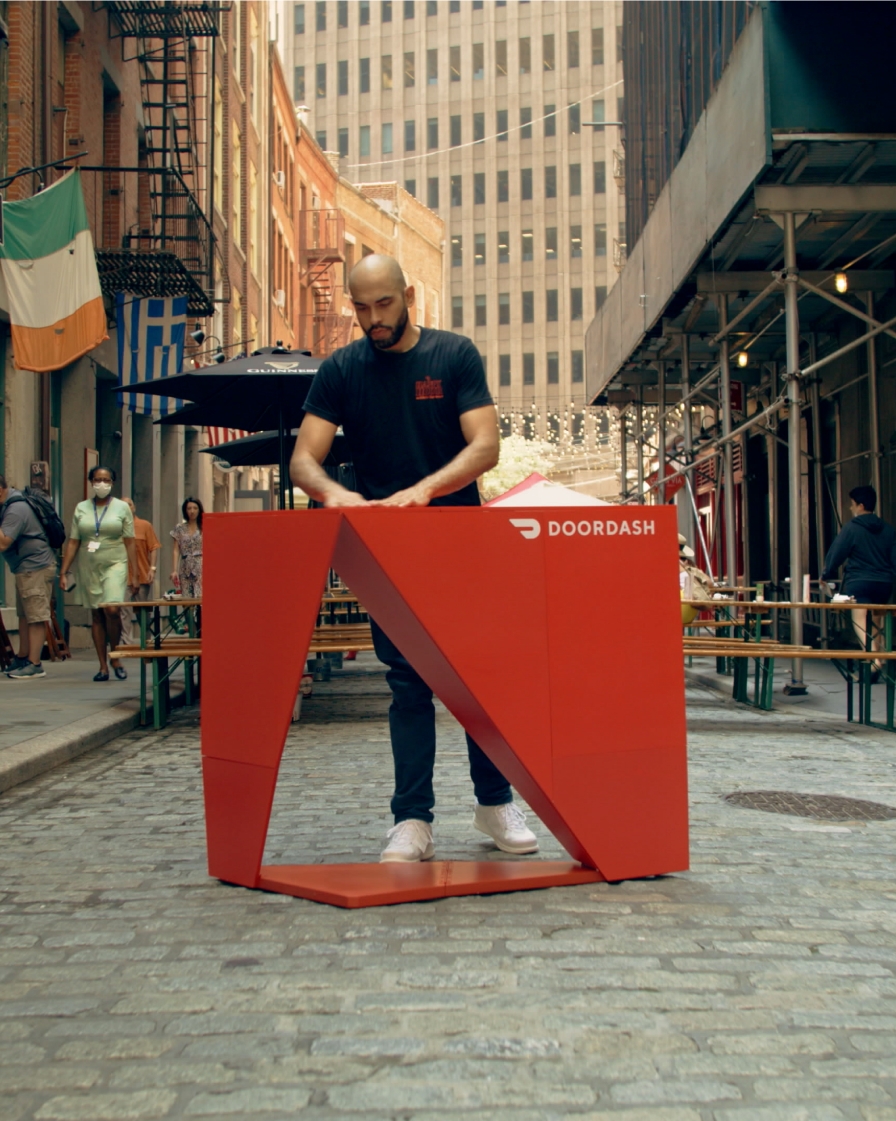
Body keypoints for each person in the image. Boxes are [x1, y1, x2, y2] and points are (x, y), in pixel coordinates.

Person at [291, 252, 538, 864]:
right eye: (362, 308)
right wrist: (337, 494)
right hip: (388, 550)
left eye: (385, 304)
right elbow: (303, 459)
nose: (374, 318)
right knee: (407, 685)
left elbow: (486, 444)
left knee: (477, 678)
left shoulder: (453, 356)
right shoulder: (342, 370)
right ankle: (412, 820)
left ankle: (493, 802)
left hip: (459, 541)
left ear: (407, 297)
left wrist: (426, 489)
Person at [59, 466, 136, 682]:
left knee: (111, 609)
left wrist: (135, 573)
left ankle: (116, 656)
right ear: (91, 482)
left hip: (115, 561)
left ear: (112, 482)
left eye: (106, 479)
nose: (101, 483)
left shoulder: (122, 508)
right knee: (96, 614)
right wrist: (64, 571)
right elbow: (74, 540)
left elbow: (130, 541)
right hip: (89, 563)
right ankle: (103, 665)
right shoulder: (82, 508)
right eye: (97, 479)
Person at [822, 485, 896, 674]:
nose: (851, 508)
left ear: (861, 506)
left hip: (860, 581)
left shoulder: (852, 528)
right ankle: (878, 657)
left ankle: (872, 658)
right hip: (885, 583)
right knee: (876, 620)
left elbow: (837, 553)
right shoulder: (888, 529)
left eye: (853, 504)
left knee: (859, 617)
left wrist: (826, 574)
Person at [0, 474, 57, 680]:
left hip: (35, 567)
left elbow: (3, 542)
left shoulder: (16, 509)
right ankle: (23, 657)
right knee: (25, 615)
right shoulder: (10, 504)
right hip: (25, 567)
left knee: (36, 616)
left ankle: (35, 663)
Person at [120, 498, 161, 646]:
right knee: (124, 610)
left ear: (134, 507)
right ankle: (126, 642)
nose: (127, 507)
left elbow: (154, 547)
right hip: (123, 575)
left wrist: (152, 568)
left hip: (142, 574)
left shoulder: (145, 525)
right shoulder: (117, 527)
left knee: (142, 611)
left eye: (129, 504)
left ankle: (146, 639)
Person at [170, 497, 203, 597]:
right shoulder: (180, 528)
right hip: (185, 565)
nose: (192, 511)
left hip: (201, 564)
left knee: (200, 597)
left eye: (195, 508)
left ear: (199, 509)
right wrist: (174, 570)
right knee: (186, 598)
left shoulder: (204, 526)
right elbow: (176, 550)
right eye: (189, 508)